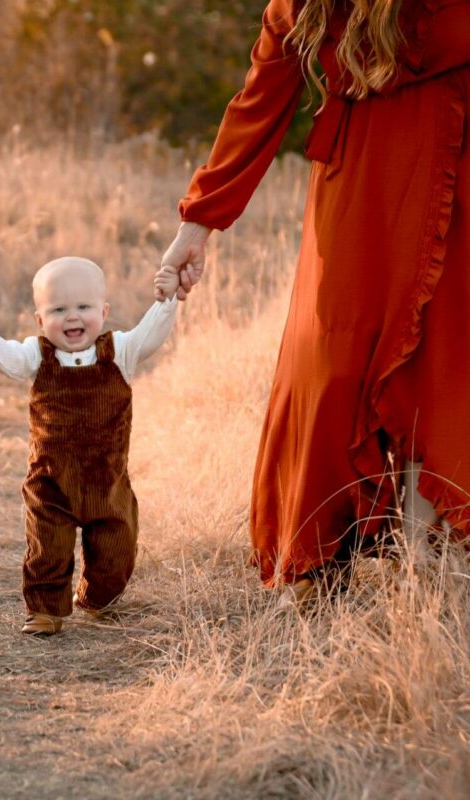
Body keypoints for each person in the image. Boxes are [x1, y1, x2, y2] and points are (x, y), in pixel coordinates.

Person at [158, 0, 470, 605]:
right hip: (414, 168)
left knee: (371, 357)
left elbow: (261, 96)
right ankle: (403, 565)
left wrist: (198, 223)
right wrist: (198, 221)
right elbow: (265, 92)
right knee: (407, 360)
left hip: (389, 173)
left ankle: (387, 566)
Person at [0, 257, 178, 634]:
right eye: (58, 309)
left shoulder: (119, 351)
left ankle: (97, 598)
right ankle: (45, 611)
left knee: (116, 551)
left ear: (104, 312)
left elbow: (150, 335)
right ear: (41, 320)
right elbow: (4, 357)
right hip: (51, 481)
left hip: (107, 483)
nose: (72, 317)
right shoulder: (36, 355)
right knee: (47, 548)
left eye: (83, 307)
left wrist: (167, 300)